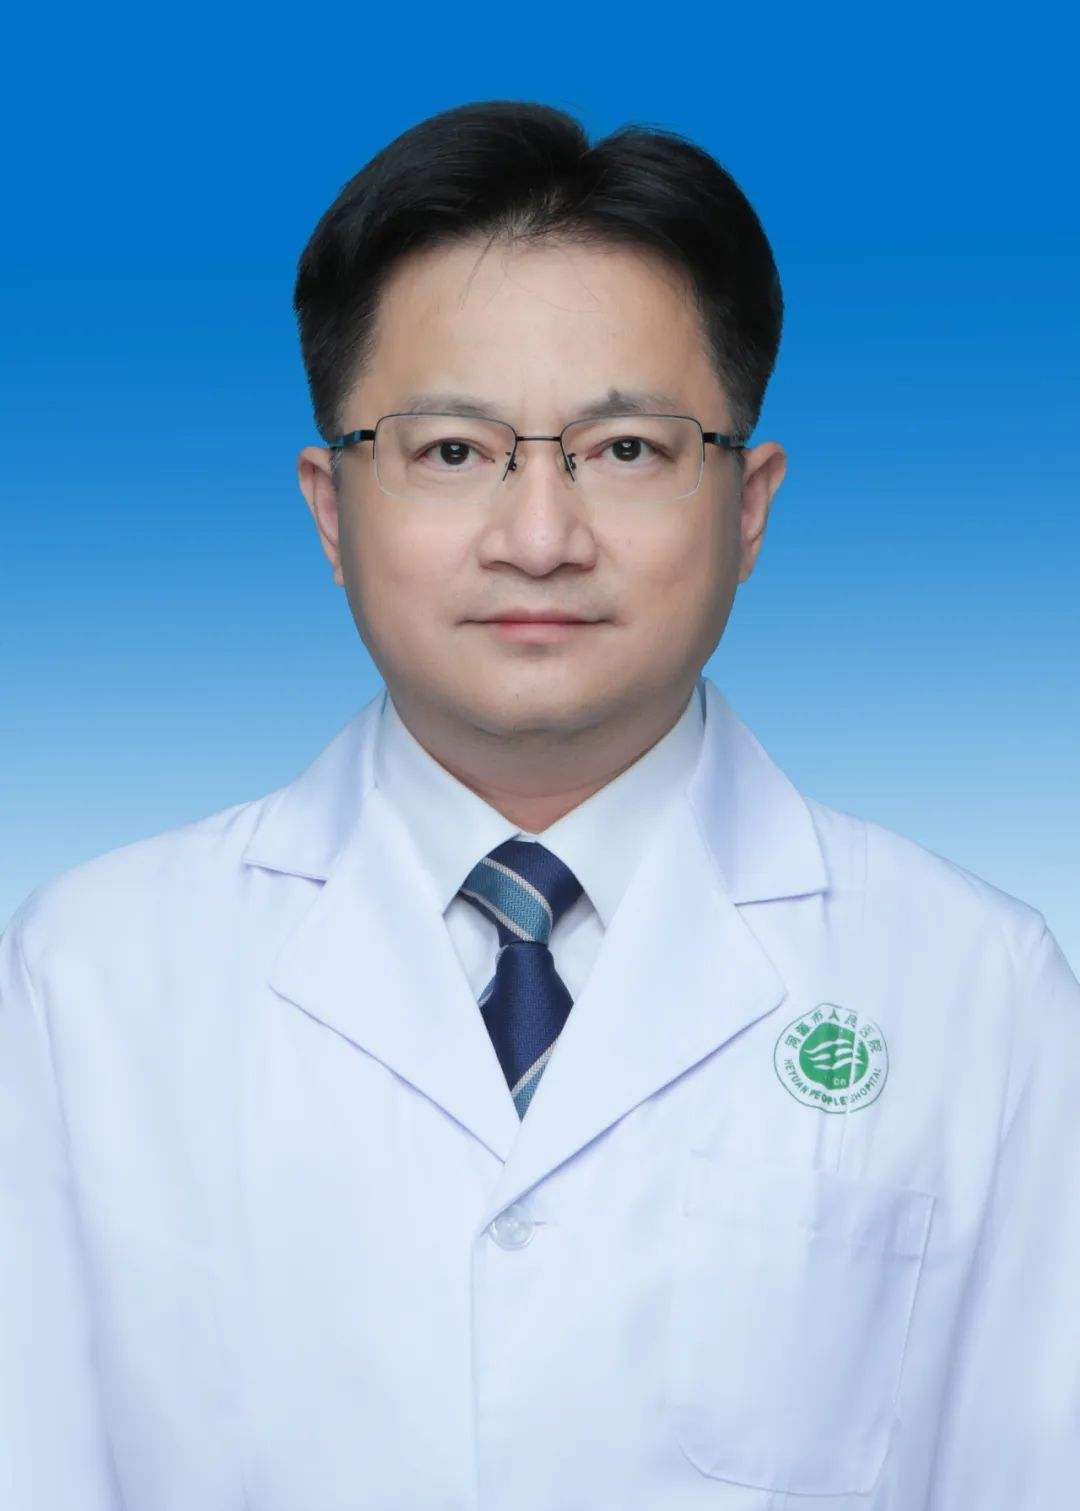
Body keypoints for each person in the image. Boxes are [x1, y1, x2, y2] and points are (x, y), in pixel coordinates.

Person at [1, 98, 1077, 1511]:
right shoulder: (89, 979)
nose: (540, 536)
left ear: (750, 504)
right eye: (454, 451)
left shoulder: (977, 986)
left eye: (625, 450)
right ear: (331, 508)